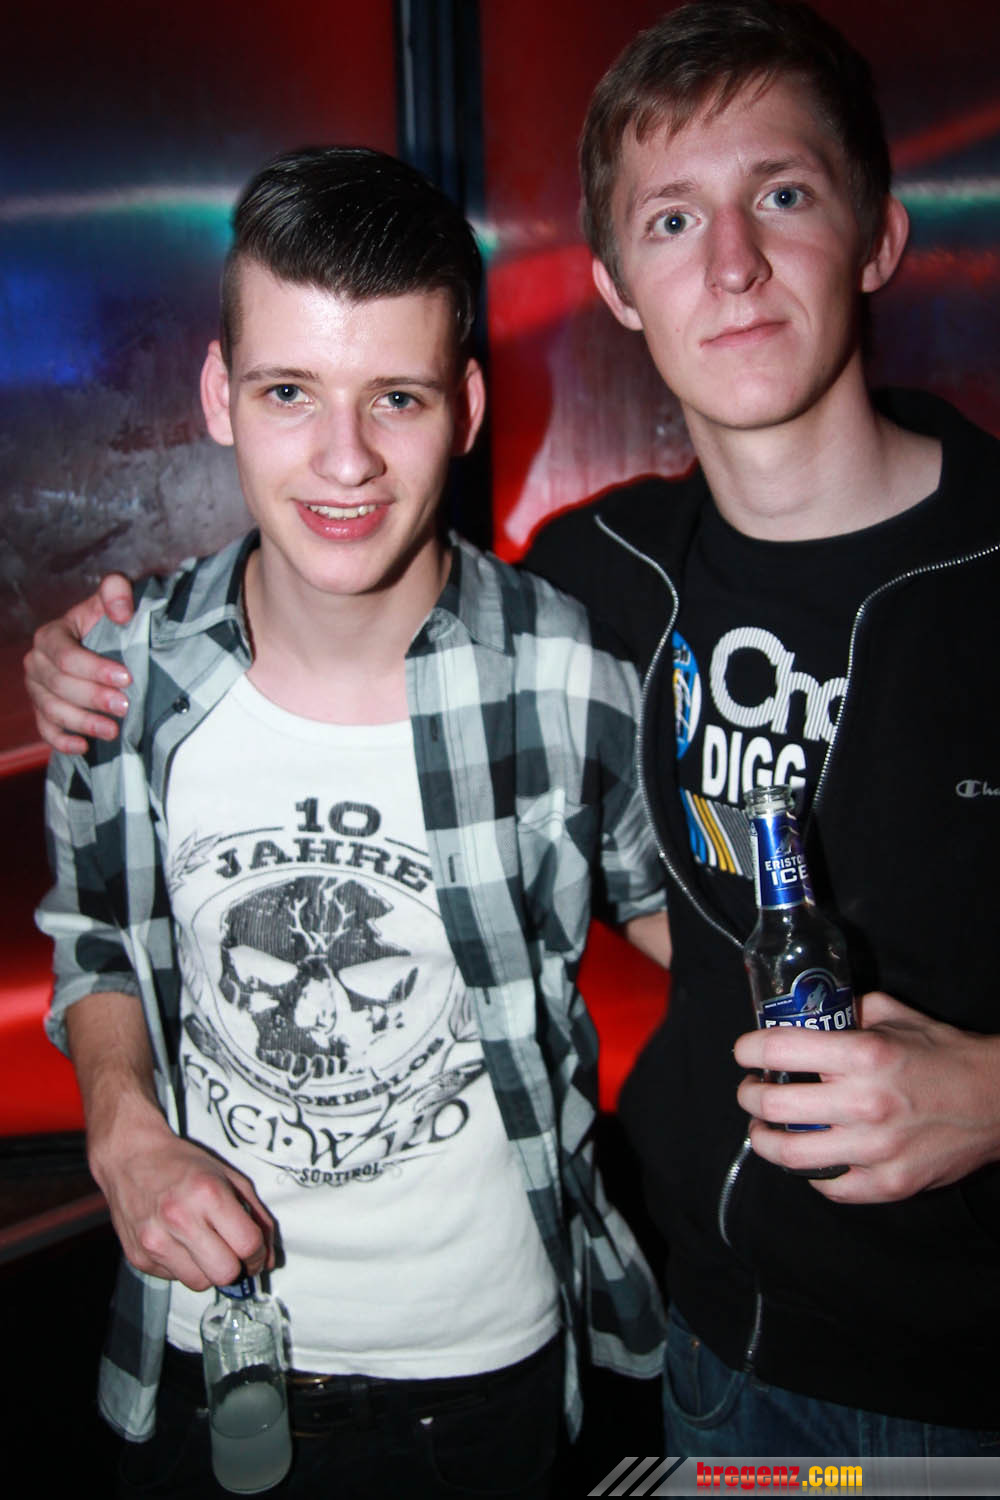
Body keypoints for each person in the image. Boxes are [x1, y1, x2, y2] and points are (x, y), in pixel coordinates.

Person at [25, 0, 1000, 1462]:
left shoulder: (572, 643)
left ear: (878, 235)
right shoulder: (601, 586)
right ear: (616, 281)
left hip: (944, 1384)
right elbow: (103, 924)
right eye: (672, 219)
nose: (732, 263)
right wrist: (119, 1117)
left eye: (785, 195)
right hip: (697, 1346)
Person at [32, 145, 668, 1498]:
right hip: (201, 1358)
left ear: (466, 406)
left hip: (488, 1376)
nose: (344, 460)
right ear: (220, 395)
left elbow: (700, 931)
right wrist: (121, 1131)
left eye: (396, 397)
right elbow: (93, 940)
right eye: (289, 392)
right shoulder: (125, 679)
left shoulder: (564, 674)